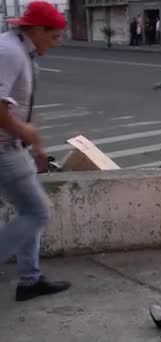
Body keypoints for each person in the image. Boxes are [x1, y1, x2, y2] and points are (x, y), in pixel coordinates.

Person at [0, 1, 71, 302]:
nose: (55, 44)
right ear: (38, 30)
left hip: (14, 145)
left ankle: (30, 280)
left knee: (30, 211)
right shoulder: (10, 52)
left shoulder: (22, 50)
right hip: (3, 147)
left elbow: (21, 106)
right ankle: (28, 278)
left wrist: (35, 143)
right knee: (37, 211)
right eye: (53, 37)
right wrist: (26, 132)